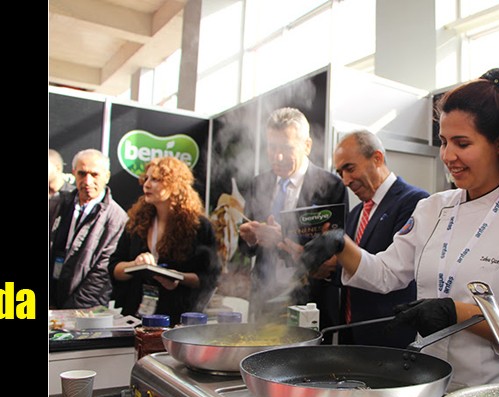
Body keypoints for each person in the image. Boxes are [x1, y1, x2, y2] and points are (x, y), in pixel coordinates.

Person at [300, 68, 499, 390]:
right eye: (444, 142)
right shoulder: (432, 209)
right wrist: (340, 243)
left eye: (462, 143)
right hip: (430, 385)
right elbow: (386, 273)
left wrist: (458, 313)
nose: (448, 156)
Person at [238, 107, 347, 328]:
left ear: (307, 145)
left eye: (287, 148)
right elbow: (245, 250)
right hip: (265, 299)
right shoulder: (258, 184)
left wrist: (282, 238)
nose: (277, 157)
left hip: (310, 301)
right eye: (272, 147)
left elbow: (338, 249)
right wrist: (250, 238)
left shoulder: (330, 186)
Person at [327, 129, 429, 347]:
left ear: (377, 158)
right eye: (340, 173)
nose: (345, 180)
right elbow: (352, 269)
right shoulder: (356, 213)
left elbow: (390, 272)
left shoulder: (415, 203)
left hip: (390, 339)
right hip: (351, 335)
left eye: (350, 168)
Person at [110, 156, 222, 323]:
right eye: (146, 178)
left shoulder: (198, 226)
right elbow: (114, 269)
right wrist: (135, 265)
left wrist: (179, 278)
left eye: (155, 179)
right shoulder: (136, 222)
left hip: (177, 318)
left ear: (174, 185)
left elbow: (209, 277)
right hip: (135, 317)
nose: (147, 184)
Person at [49, 149, 128, 309]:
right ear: (73, 173)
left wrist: (71, 313)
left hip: (85, 311)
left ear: (107, 176)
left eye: (94, 174)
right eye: (82, 173)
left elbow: (102, 274)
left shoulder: (116, 218)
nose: (87, 181)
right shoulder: (57, 205)